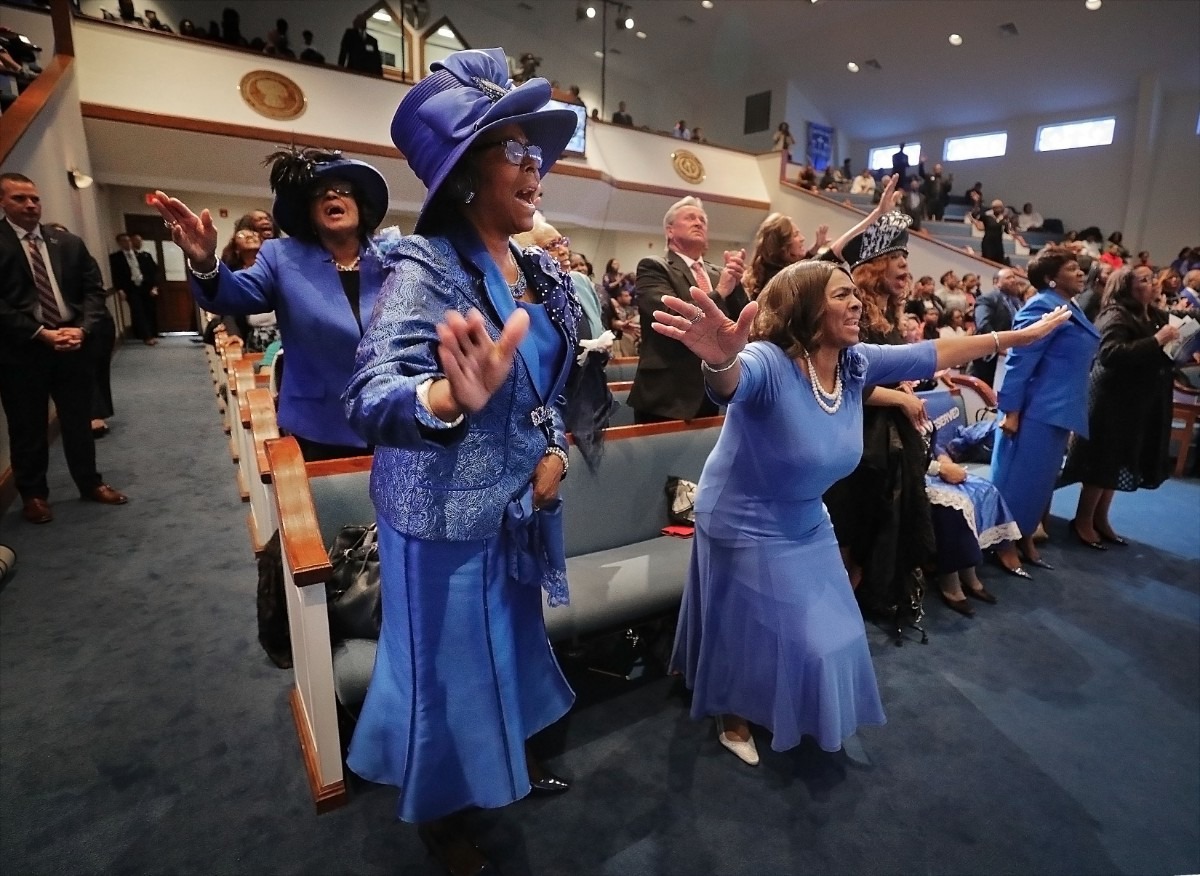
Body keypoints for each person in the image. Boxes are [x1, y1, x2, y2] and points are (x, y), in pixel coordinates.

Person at [655, 253, 1069, 765]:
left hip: (805, 515)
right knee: (747, 625)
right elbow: (731, 382)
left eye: (855, 292)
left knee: (836, 632)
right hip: (743, 515)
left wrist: (1013, 339)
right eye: (841, 295)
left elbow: (932, 351)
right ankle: (731, 712)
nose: (857, 303)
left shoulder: (855, 363)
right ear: (806, 308)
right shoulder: (768, 360)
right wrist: (719, 360)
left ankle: (773, 700)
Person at [340, 48, 581, 874]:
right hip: (439, 518)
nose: (536, 163)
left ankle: (502, 762)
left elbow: (551, 382)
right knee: (442, 678)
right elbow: (369, 396)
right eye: (514, 148)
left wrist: (551, 446)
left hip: (513, 508)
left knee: (506, 650)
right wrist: (445, 398)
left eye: (536, 150)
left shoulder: (539, 268)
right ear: (466, 174)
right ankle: (441, 809)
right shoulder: (422, 266)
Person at [152, 148, 391, 461]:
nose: (332, 195)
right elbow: (232, 295)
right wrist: (204, 261)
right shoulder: (281, 256)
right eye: (319, 193)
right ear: (308, 213)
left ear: (360, 203)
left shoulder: (394, 256)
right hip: (319, 423)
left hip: (392, 416)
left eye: (343, 189)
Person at [0, 173, 128, 523]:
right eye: (19, 199)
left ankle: (90, 483)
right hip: (23, 351)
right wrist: (40, 332)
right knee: (27, 425)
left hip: (73, 344)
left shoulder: (67, 242)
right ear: (3, 202)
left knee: (78, 420)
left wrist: (82, 330)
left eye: (34, 198)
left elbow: (93, 291)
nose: (29, 205)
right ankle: (34, 495)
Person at [990, 245, 1101, 569]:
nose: (1080, 272)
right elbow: (1019, 362)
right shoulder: (1041, 306)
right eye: (1071, 268)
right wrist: (1011, 411)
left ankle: (1024, 537)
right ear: (1051, 278)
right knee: (1015, 484)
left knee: (1038, 486)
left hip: (1057, 411)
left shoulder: (1070, 306)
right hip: (1031, 413)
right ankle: (1002, 543)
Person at [1062, 266, 1179, 547]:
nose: (1154, 284)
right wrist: (1157, 341)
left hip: (1136, 401)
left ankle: (1101, 518)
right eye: (1145, 280)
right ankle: (1083, 520)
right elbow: (1109, 354)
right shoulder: (1115, 313)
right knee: (1102, 460)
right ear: (1127, 287)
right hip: (1111, 401)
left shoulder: (1152, 314)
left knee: (1119, 460)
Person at [627, 196, 748, 423]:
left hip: (714, 388)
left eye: (703, 219)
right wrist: (720, 291)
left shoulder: (717, 273)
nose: (699, 222)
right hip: (667, 396)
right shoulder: (654, 266)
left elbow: (740, 324)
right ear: (670, 231)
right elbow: (669, 318)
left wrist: (737, 285)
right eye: (690, 218)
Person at [743, 212, 828, 300]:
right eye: (795, 235)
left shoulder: (769, 267)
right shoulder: (783, 280)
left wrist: (816, 247)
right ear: (782, 246)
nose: (802, 238)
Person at [969, 267, 1025, 386]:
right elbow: (983, 325)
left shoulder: (1017, 302)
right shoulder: (987, 299)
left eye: (1014, 277)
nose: (1013, 280)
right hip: (991, 357)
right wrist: (1000, 344)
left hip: (1013, 354)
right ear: (996, 282)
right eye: (1008, 277)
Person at [109, 232, 159, 345]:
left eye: (128, 240)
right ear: (119, 243)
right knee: (138, 311)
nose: (127, 243)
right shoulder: (116, 258)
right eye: (123, 241)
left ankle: (152, 333)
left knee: (148, 310)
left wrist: (154, 286)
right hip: (131, 288)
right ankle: (147, 337)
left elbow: (153, 271)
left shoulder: (142, 255)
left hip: (146, 286)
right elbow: (116, 275)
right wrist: (120, 289)